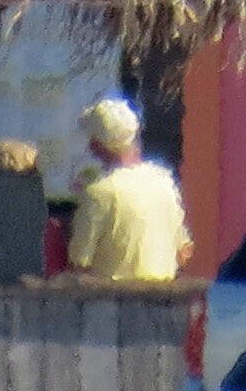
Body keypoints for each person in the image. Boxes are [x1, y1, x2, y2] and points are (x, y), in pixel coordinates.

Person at [65, 96, 192, 282]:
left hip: (115, 302)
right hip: (164, 299)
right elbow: (184, 252)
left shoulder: (100, 192)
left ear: (96, 144)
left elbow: (79, 263)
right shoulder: (163, 182)